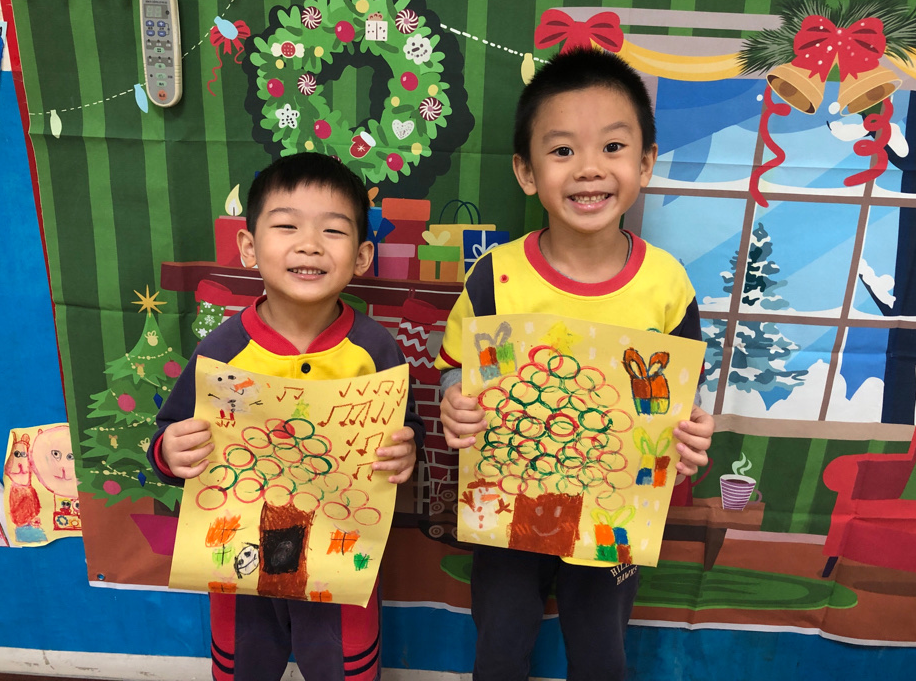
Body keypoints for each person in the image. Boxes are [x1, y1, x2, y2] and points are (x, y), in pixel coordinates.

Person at [434, 47, 715, 681]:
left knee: (601, 651)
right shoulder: (494, 277)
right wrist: (456, 401)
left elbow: (683, 397)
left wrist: (693, 431)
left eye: (613, 147)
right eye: (562, 150)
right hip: (507, 504)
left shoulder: (667, 284)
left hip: (614, 512)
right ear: (526, 171)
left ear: (644, 162)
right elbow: (457, 370)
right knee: (499, 646)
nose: (589, 168)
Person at [149, 153, 424, 681]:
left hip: (340, 555)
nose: (310, 244)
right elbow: (167, 439)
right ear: (249, 247)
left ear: (362, 256)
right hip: (240, 561)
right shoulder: (222, 351)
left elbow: (406, 433)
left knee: (344, 668)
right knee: (244, 666)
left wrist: (406, 451)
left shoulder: (376, 350)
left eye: (333, 230)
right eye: (286, 226)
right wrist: (170, 452)